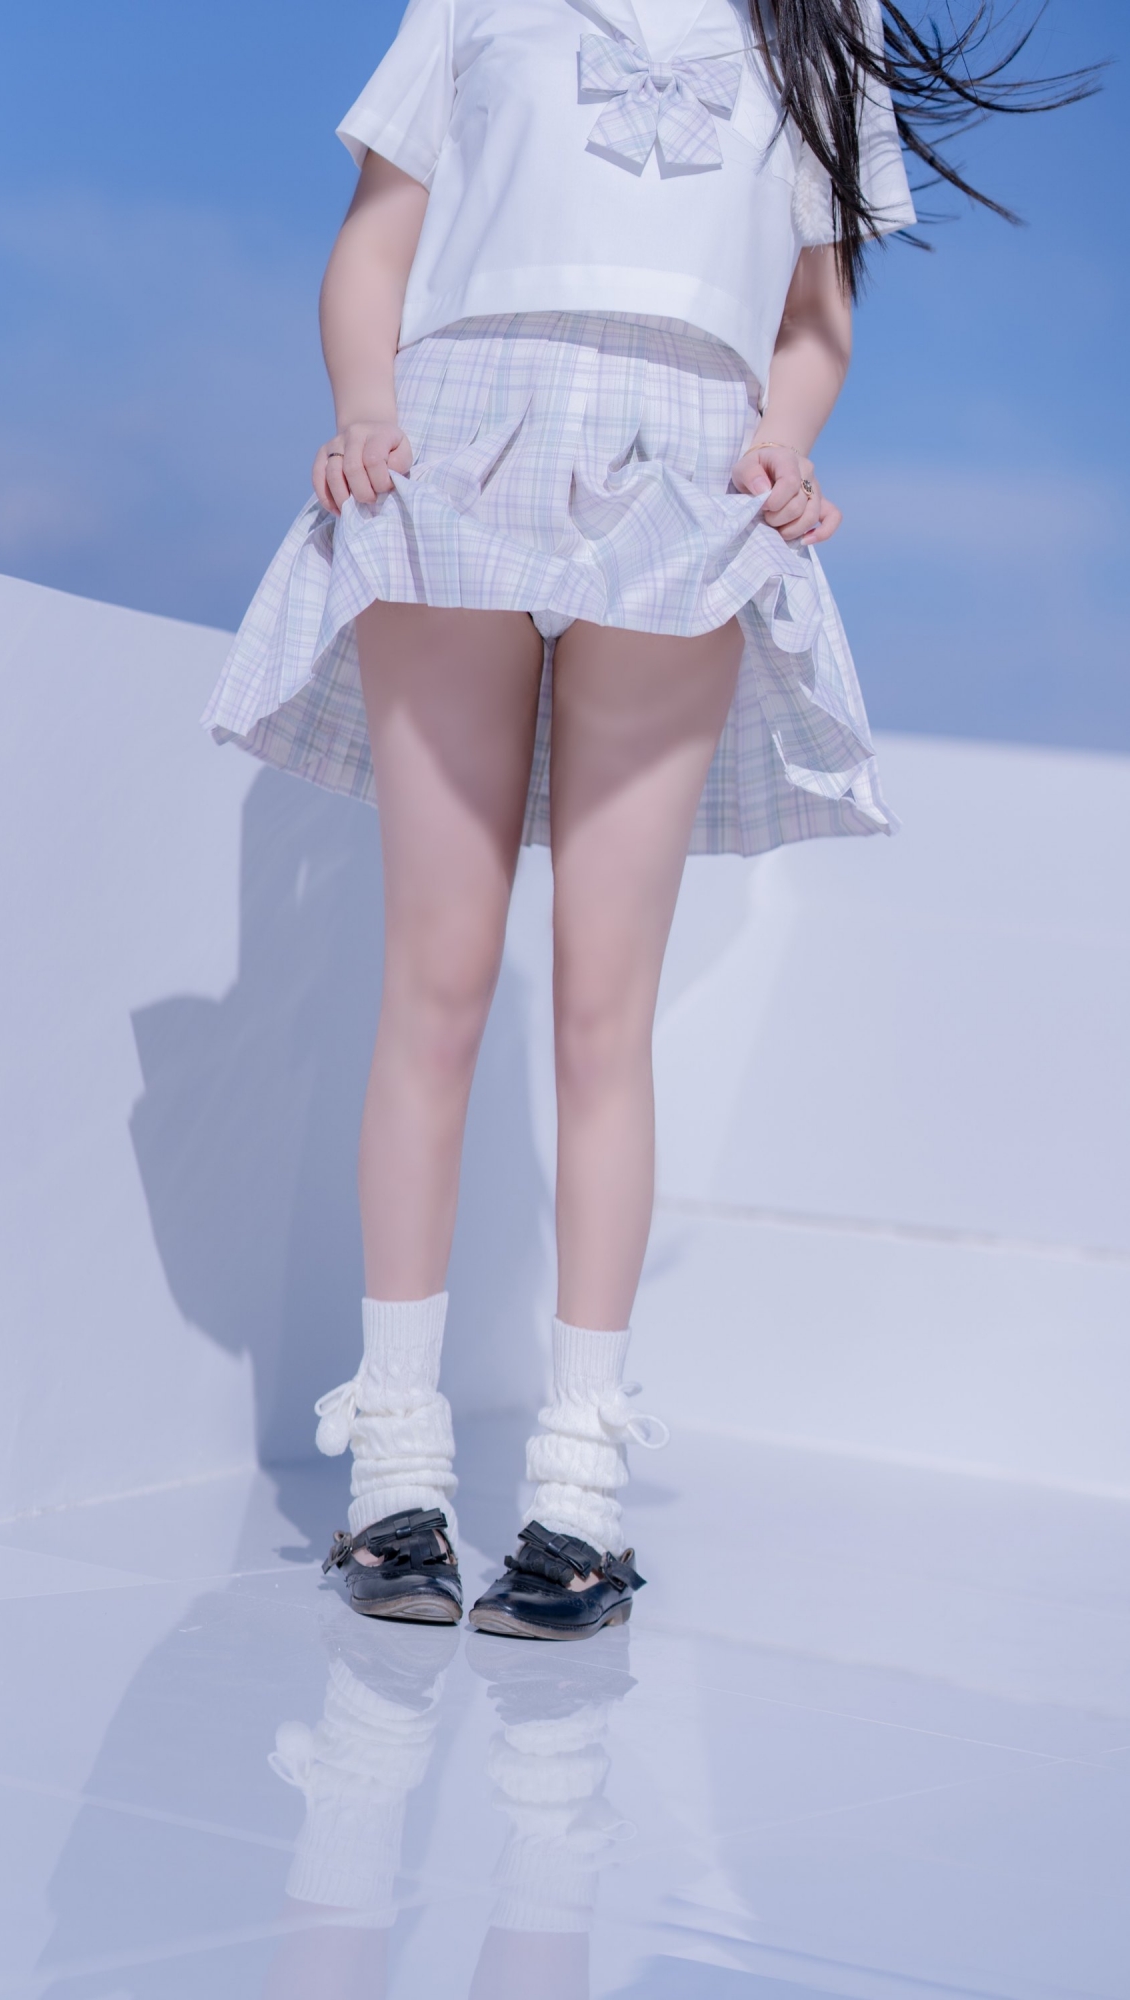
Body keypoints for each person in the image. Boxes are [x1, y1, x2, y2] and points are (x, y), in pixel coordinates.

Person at [203, 0, 1093, 1639]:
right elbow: (379, 232)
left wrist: (782, 444)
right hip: (454, 442)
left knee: (605, 1012)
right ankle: (393, 1477)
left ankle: (577, 1495)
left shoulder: (826, 26)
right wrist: (364, 407)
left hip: (687, 472)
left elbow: (815, 312)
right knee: (436, 984)